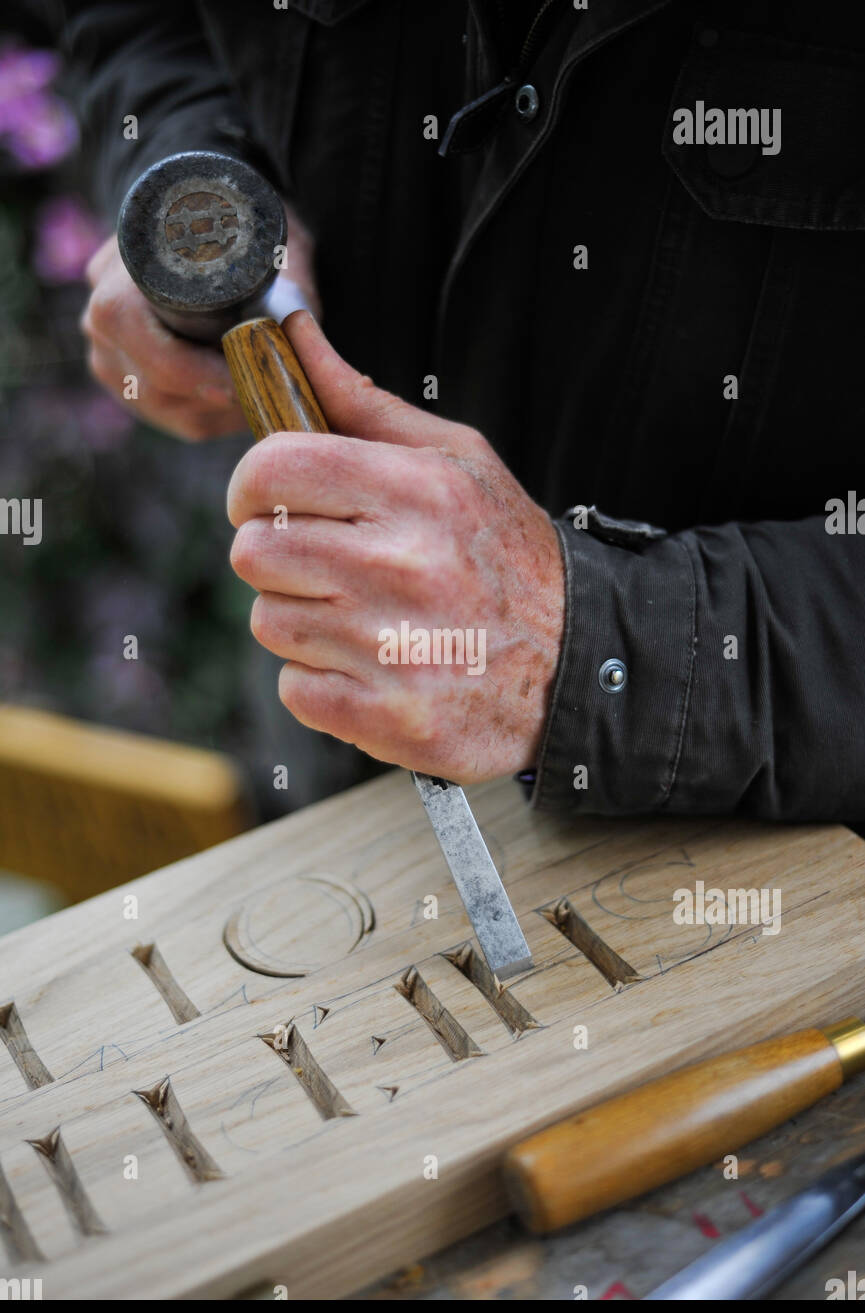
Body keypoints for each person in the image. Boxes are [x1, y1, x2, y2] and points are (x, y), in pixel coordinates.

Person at [61, 1, 865, 822]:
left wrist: (587, 644)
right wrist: (193, 176)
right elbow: (143, 23)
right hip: (339, 763)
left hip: (756, 843)